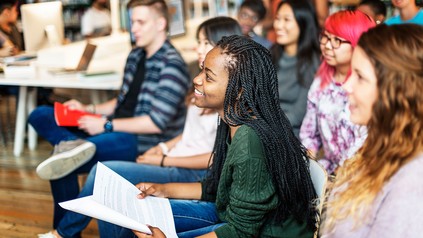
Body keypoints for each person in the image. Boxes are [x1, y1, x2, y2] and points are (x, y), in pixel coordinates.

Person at [37, 16, 242, 238]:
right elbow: (191, 134)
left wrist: (164, 159)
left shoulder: (219, 99)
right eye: (199, 41)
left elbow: (214, 157)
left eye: (205, 42)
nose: (197, 47)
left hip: (184, 167)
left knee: (102, 174)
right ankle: (68, 145)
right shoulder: (143, 60)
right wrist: (164, 147)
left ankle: (61, 232)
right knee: (42, 120)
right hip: (170, 153)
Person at [101, 35, 319, 237]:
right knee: (132, 217)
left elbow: (241, 232)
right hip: (231, 219)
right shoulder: (232, 119)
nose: (196, 80)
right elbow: (214, 188)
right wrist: (163, 189)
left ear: (239, 90)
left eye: (208, 77)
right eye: (201, 70)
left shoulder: (249, 141)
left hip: (260, 233)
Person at [29, 0, 190, 231]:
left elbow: (155, 122)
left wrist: (105, 125)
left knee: (61, 165)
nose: (133, 28)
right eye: (132, 21)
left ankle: (63, 230)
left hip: (140, 139)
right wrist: (88, 109)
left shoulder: (172, 65)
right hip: (113, 126)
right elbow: (121, 102)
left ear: (161, 23)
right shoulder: (135, 56)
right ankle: (69, 145)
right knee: (41, 114)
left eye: (140, 22)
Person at [321, 24, 423, 238]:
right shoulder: (378, 144)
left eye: (360, 76)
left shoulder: (412, 181)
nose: (347, 86)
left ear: (397, 91)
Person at [299, 10, 375, 175]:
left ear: (358, 44)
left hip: (358, 174)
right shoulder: (321, 81)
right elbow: (309, 132)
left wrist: (340, 175)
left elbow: (366, 141)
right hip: (325, 171)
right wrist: (309, 164)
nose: (326, 45)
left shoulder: (368, 87)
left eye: (337, 40)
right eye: (326, 37)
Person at [271, 0, 321, 137]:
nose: (279, 25)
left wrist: (266, 127)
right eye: (277, 19)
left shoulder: (312, 61)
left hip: (291, 136)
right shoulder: (271, 53)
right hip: (265, 128)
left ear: (303, 23)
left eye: (287, 20)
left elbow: (299, 113)